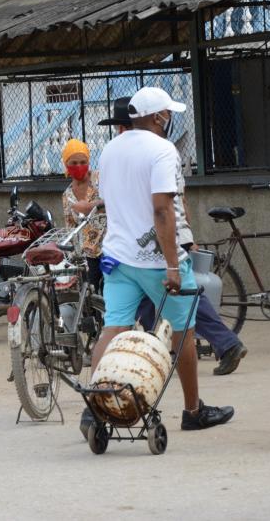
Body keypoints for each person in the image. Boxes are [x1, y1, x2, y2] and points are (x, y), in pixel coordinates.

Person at [85, 87, 234, 434]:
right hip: (157, 260)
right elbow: (162, 208)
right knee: (183, 334)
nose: (170, 118)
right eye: (167, 113)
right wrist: (171, 264)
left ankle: (94, 408)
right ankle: (193, 411)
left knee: (114, 328)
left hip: (118, 257)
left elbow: (109, 200)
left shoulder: (110, 149)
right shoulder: (162, 149)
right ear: (157, 117)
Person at [99, 97, 249, 376]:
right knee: (158, 306)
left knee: (181, 308)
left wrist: (181, 240)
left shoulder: (155, 152)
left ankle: (221, 346)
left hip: (160, 239)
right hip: (154, 239)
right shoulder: (138, 152)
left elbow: (168, 205)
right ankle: (175, 355)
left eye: (120, 127)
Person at [61, 138, 104, 291]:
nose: (79, 166)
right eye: (74, 163)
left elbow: (117, 202)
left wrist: (92, 206)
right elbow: (70, 227)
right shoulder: (67, 196)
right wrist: (73, 258)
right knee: (90, 298)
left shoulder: (100, 179)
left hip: (110, 249)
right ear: (66, 164)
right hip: (87, 256)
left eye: (83, 162)